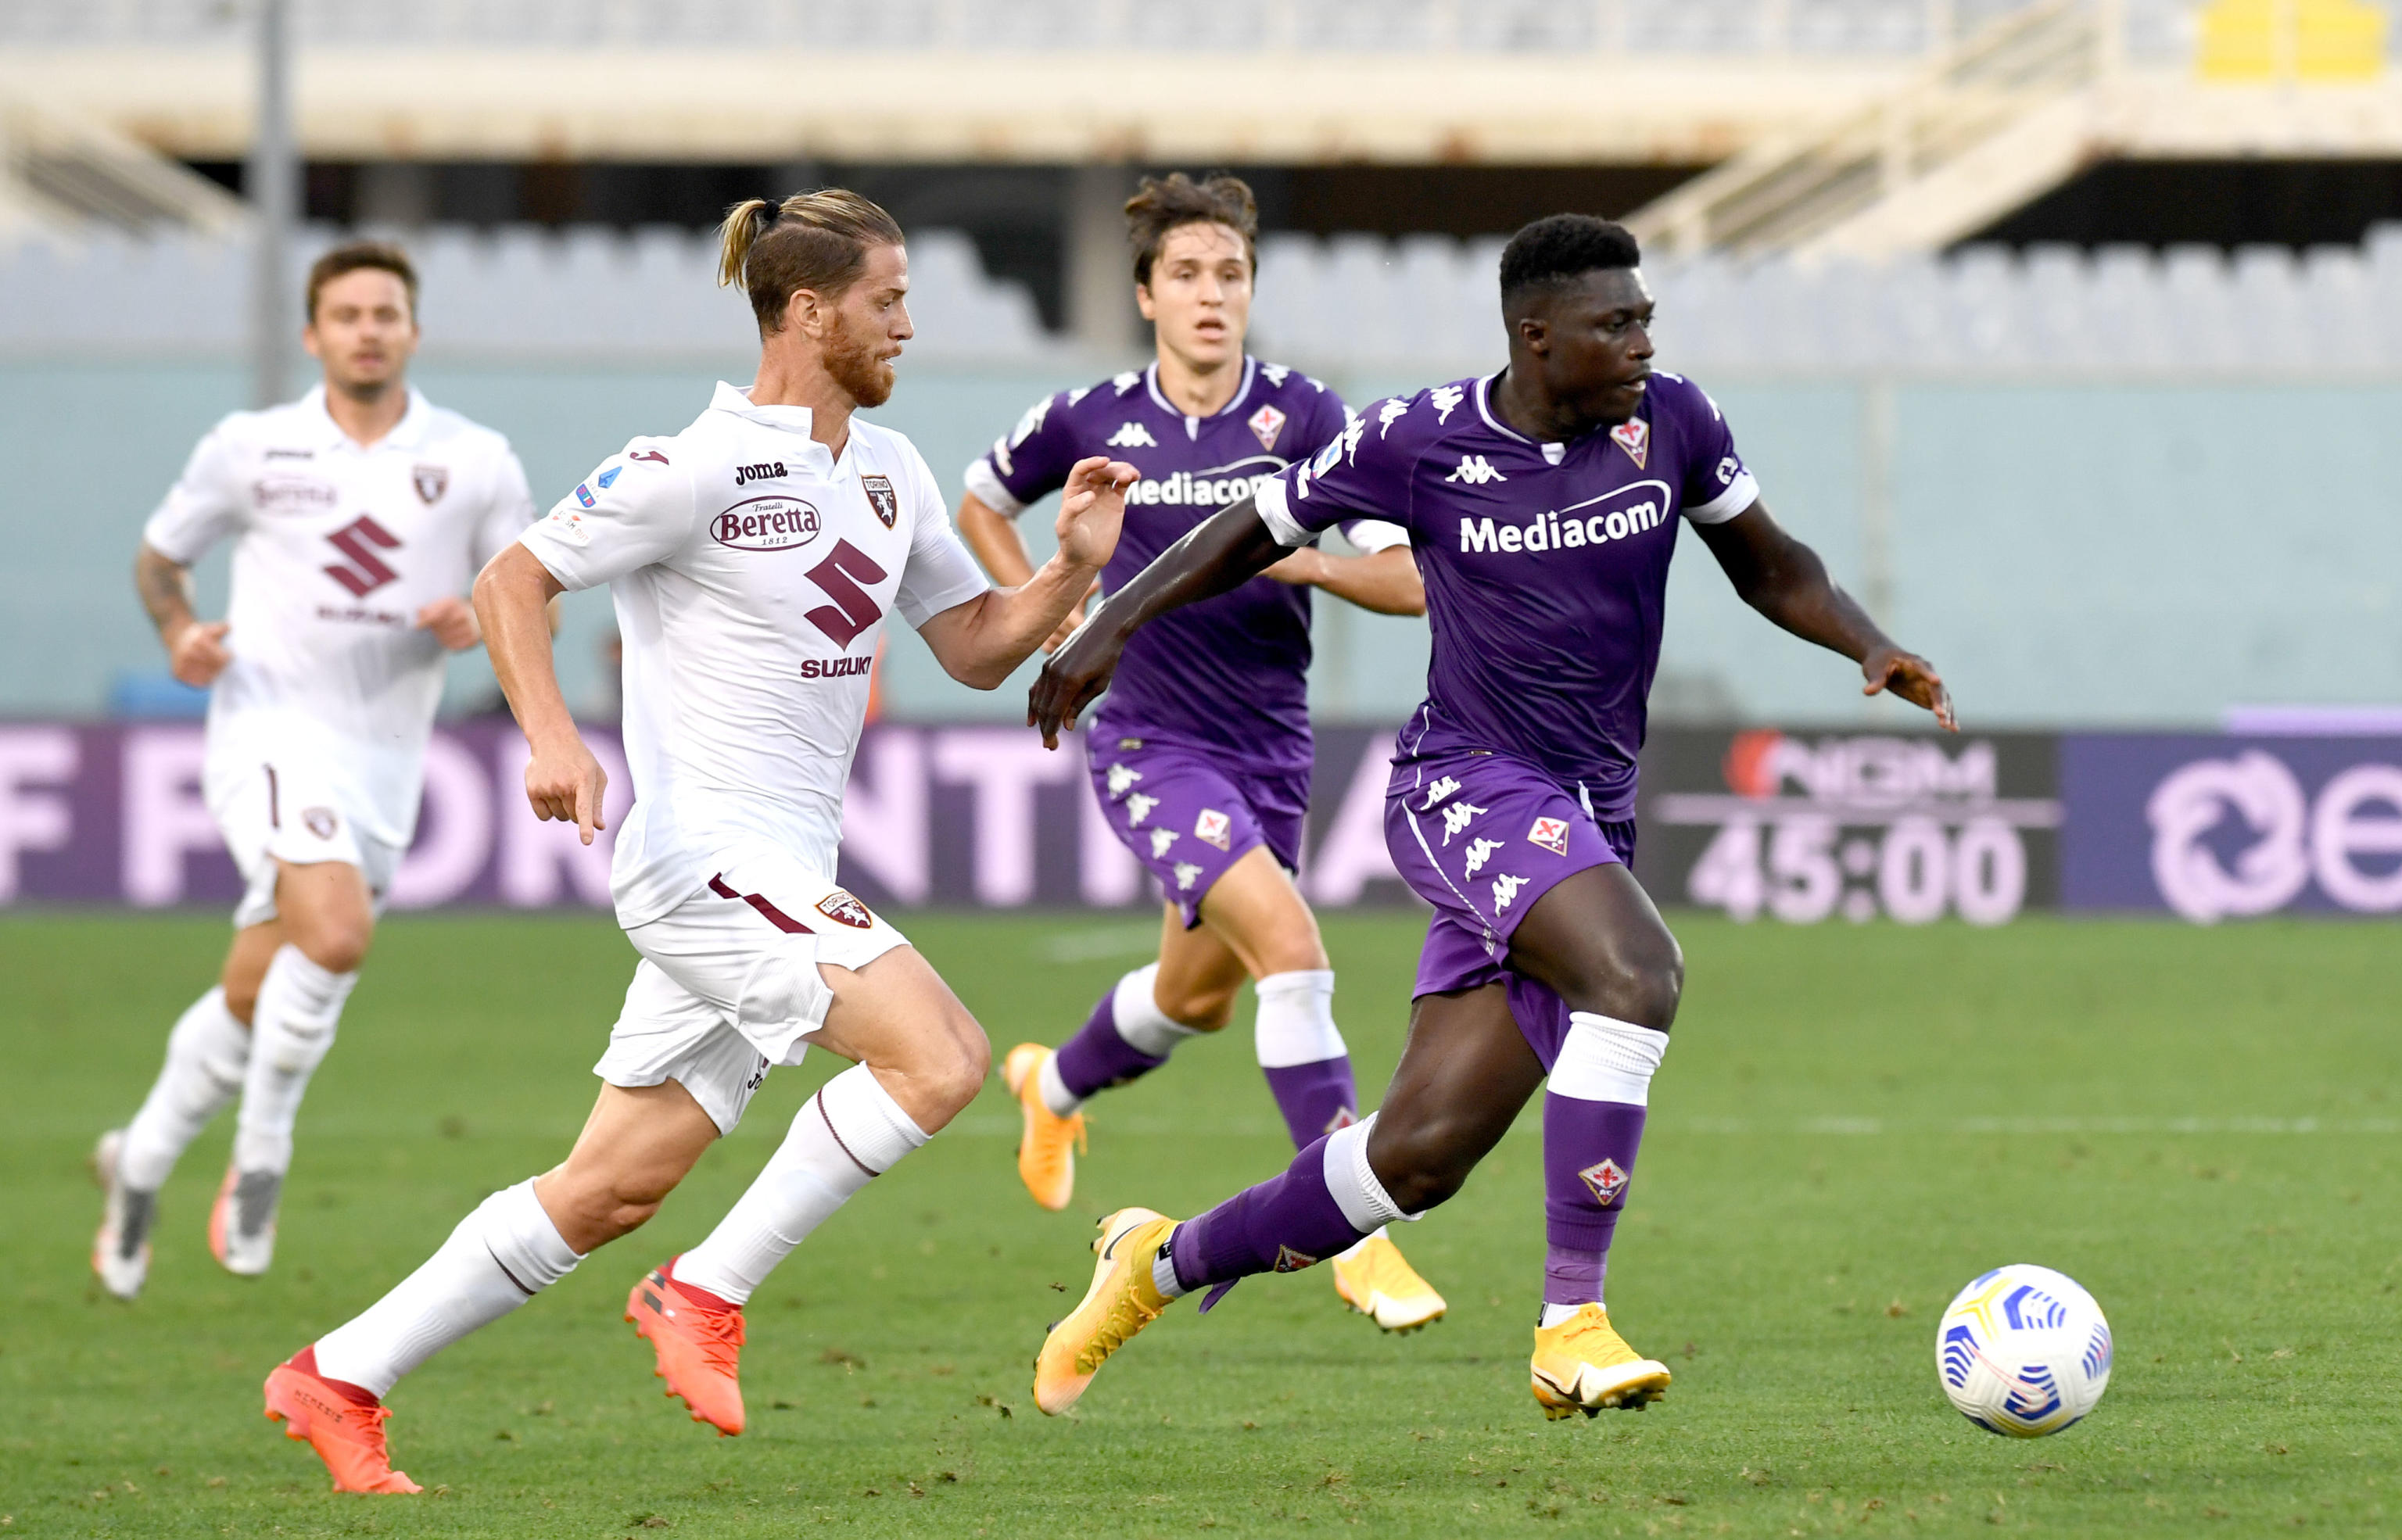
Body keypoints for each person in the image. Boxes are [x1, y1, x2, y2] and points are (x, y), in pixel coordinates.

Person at [257, 189, 1134, 1495]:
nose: (908, 324)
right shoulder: (690, 465)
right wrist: (552, 736)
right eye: (887, 301)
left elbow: (971, 646)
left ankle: (339, 1374)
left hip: (783, 872)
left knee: (612, 1184)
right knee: (942, 1057)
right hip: (703, 864)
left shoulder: (887, 473)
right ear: (807, 311)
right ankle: (704, 1291)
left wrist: (1067, 572)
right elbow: (513, 581)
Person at [1023, 214, 1956, 1420]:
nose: (1639, 341)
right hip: (1465, 781)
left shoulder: (1672, 421)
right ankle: (1573, 1321)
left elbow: (1769, 563)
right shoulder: (1422, 440)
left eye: (1644, 320)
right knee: (1637, 972)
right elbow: (1245, 529)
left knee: (1414, 1158)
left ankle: (1153, 1263)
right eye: (1614, 323)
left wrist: (1870, 644)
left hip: (1588, 813)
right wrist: (1108, 625)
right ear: (1536, 334)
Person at [956, 173, 1443, 1334]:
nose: (1211, 293)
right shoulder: (1089, 418)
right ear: (1145, 294)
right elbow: (981, 498)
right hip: (1146, 735)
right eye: (1186, 274)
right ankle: (1356, 1233)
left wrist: (1302, 559)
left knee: (1196, 995)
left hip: (1270, 745)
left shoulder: (1309, 420)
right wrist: (1057, 596)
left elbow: (1413, 578)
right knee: (1291, 947)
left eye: (1231, 273)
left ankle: (1053, 1080)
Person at [94, 242, 537, 1299]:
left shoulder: (475, 460)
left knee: (262, 982)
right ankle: (262, 1157)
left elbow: (530, 590)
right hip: (267, 730)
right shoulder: (252, 448)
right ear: (314, 335)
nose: (368, 329)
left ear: (413, 332)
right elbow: (162, 557)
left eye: (386, 312)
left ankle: (141, 1160)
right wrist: (179, 634)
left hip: (386, 755)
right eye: (347, 314)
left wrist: (475, 617)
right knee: (336, 933)